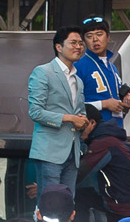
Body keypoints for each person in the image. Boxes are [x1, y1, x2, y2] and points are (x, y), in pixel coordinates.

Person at [28, 27, 93, 193]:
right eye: (73, 43)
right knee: (50, 204)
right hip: (49, 150)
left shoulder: (78, 79)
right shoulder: (43, 72)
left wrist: (82, 121)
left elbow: (80, 111)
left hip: (73, 151)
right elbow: (35, 112)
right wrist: (70, 118)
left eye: (80, 43)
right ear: (59, 47)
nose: (78, 47)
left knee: (67, 203)